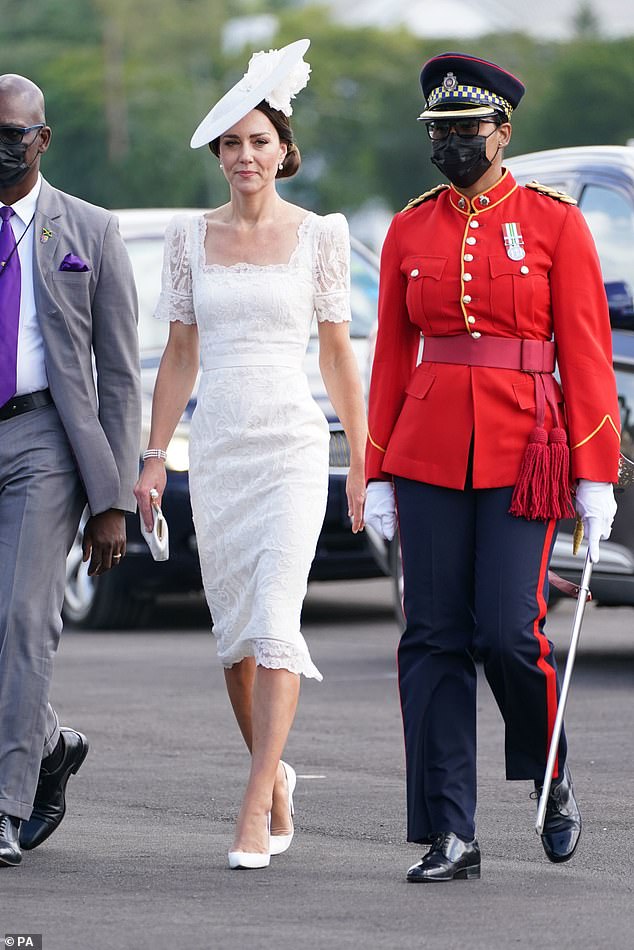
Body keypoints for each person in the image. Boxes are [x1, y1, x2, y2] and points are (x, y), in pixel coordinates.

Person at [364, 52, 621, 882]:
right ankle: (450, 832)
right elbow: (390, 359)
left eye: (467, 131)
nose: (452, 145)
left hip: (525, 449)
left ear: (502, 133)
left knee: (511, 634)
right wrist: (374, 473)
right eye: (440, 133)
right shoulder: (408, 227)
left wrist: (597, 472)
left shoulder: (553, 223)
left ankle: (549, 774)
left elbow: (583, 352)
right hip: (427, 449)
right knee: (432, 639)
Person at [134, 39, 367, 870]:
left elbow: (339, 354)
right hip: (220, 447)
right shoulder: (188, 238)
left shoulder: (323, 235)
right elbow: (179, 355)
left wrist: (363, 454)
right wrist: (154, 455)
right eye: (230, 144)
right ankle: (276, 778)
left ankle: (251, 802)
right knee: (235, 641)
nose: (243, 157)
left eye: (258, 142)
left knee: (274, 623)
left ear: (284, 150)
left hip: (294, 448)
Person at [0, 75, 141, 868]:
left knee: (22, 620)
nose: (0, 147)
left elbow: (119, 376)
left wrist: (111, 499)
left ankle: (6, 804)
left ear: (41, 140)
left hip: (44, 440)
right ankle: (49, 745)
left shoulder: (87, 229)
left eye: (11, 134)